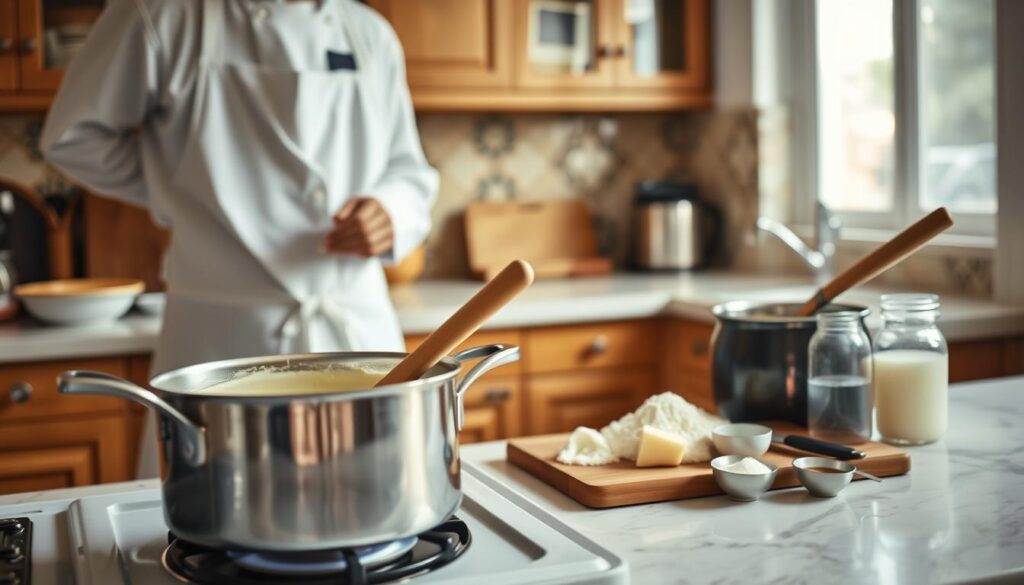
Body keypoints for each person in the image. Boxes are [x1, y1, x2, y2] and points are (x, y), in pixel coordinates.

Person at [41, 0, 438, 477]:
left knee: (378, 498)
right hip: (220, 344)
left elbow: (408, 169)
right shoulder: (160, 15)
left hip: (356, 329)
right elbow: (73, 137)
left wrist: (391, 211)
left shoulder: (369, 33)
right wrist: (181, 186)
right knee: (209, 518)